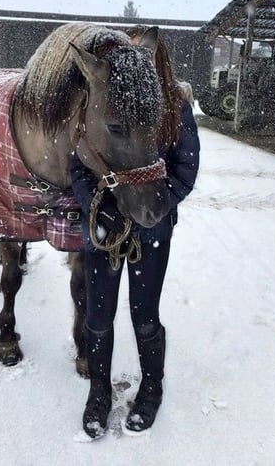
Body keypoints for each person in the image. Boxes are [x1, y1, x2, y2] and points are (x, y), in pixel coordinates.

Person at [70, 27, 200, 438]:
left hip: (152, 227)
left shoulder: (171, 103)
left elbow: (185, 167)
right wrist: (102, 207)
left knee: (145, 316)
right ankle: (98, 392)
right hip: (104, 228)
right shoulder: (96, 103)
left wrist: (160, 205)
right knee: (97, 316)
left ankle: (152, 387)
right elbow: (79, 164)